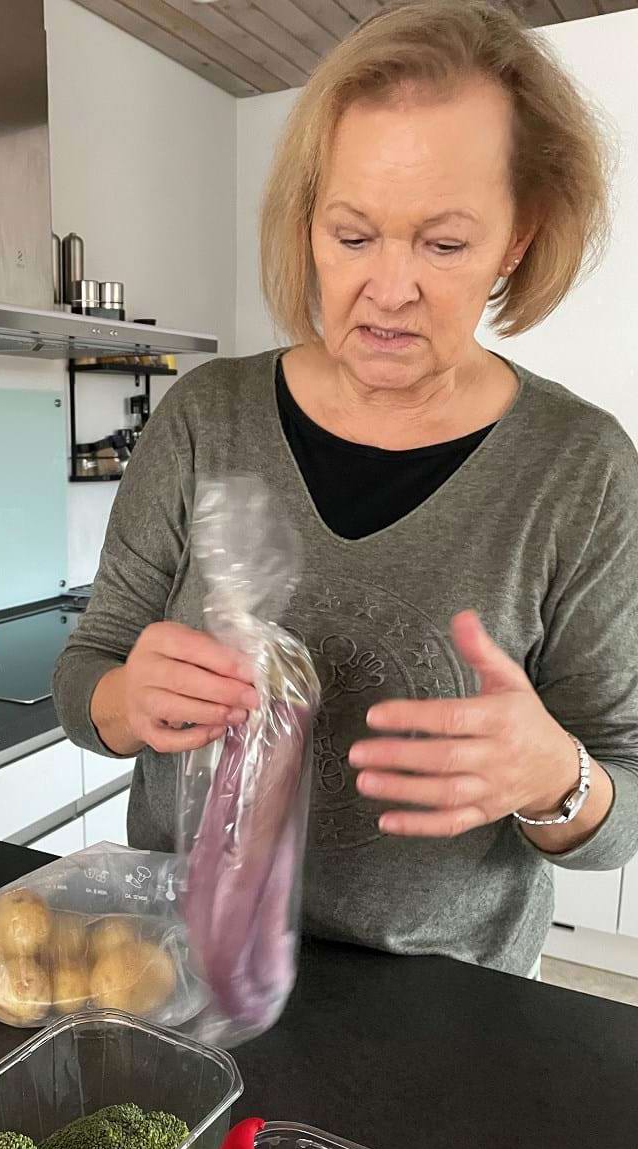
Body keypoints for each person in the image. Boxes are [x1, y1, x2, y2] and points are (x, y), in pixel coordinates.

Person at [53, 0, 638, 976]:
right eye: (354, 235)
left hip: (437, 1000)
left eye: (443, 244)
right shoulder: (205, 418)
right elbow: (89, 671)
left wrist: (553, 777)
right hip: (182, 957)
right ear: (308, 225)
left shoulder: (579, 469)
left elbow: (620, 805)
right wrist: (125, 698)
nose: (390, 289)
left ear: (518, 238)